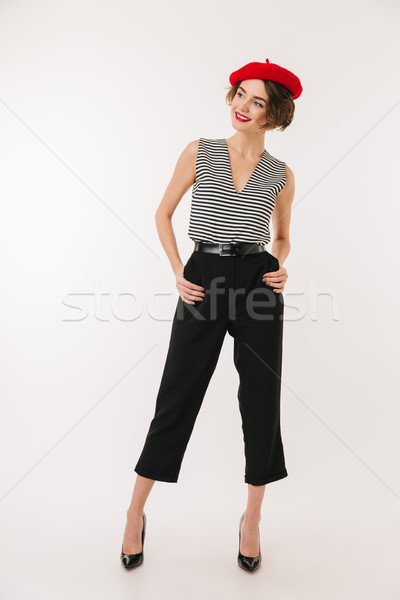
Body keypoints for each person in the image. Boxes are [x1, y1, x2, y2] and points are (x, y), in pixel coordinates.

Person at [120, 58, 302, 572]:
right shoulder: (200, 152)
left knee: (261, 399)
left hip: (258, 283)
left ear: (275, 114)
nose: (242, 107)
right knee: (178, 392)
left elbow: (283, 238)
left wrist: (280, 267)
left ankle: (251, 520)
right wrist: (180, 270)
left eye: (257, 101)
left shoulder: (281, 174)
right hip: (204, 277)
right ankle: (135, 512)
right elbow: (163, 212)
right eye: (239, 94)